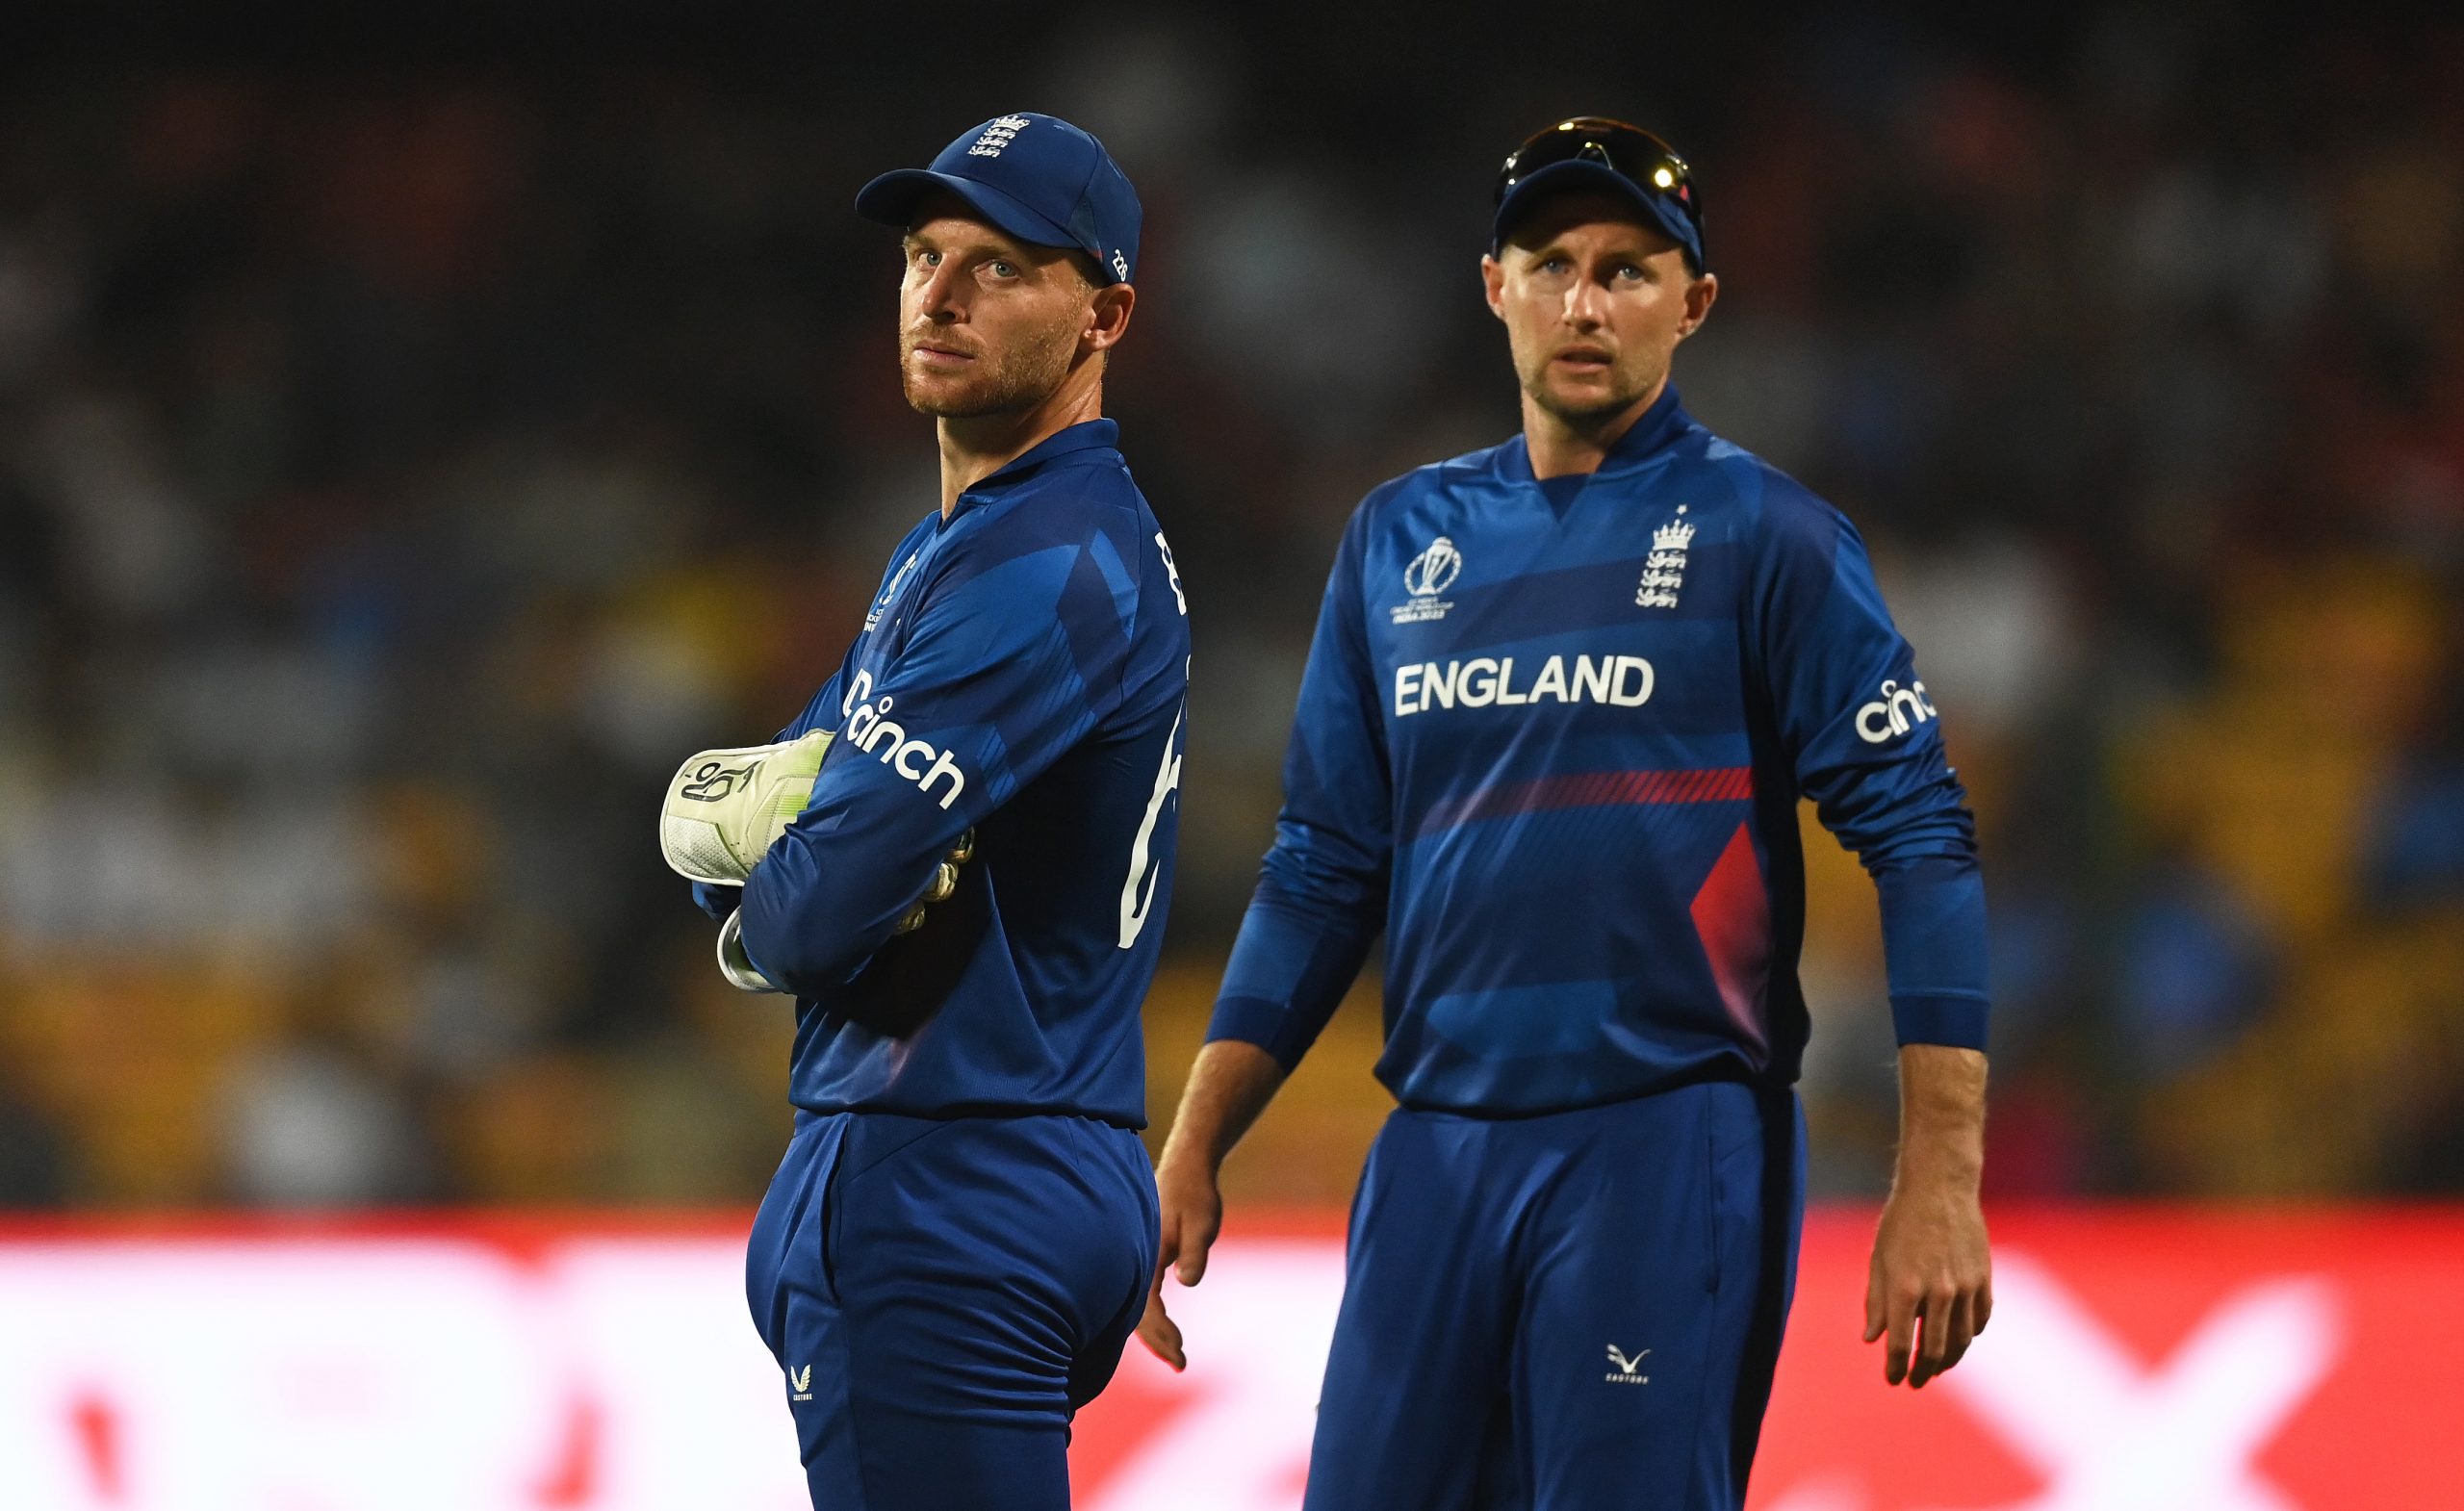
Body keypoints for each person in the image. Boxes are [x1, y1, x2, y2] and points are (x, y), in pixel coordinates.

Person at [1140, 116, 1991, 1509]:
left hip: (1662, 1143)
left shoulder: (1766, 536)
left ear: (1696, 304)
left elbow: (1923, 838)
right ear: (1495, 285)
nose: (1584, 302)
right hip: (1432, 1151)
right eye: (1550, 263)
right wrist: (1195, 1138)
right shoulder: (1397, 539)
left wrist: (1938, 1176)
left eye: (1629, 270)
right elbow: (1322, 865)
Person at [654, 112, 1188, 1510]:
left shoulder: (1044, 566)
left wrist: (779, 885)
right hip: (1007, 1142)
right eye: (922, 254)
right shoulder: (967, 547)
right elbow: (786, 796)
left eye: (1001, 267)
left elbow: (810, 898)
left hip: (950, 1166)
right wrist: (803, 846)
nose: (940, 295)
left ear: (1104, 314)